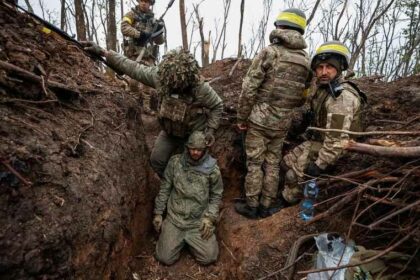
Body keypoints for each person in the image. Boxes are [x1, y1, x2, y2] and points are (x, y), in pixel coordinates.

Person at [81, 43, 223, 178]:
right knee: (156, 161)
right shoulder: (161, 77)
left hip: (193, 132)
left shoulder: (200, 88)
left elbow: (217, 105)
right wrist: (104, 53)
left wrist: (210, 130)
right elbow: (133, 68)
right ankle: (169, 184)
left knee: (191, 166)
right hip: (170, 132)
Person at [235, 8, 312, 219]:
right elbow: (303, 96)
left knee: (255, 163)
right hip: (282, 123)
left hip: (259, 120)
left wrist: (242, 118)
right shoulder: (306, 61)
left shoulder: (270, 52)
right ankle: (267, 205)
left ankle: (252, 205)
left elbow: (249, 88)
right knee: (272, 163)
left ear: (281, 27)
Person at [281, 41, 367, 204]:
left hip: (338, 147)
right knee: (285, 163)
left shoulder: (341, 97)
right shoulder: (324, 89)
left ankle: (288, 203)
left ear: (340, 67)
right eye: (320, 68)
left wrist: (319, 165)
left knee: (294, 175)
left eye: (329, 67)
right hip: (319, 140)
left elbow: (336, 141)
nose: (324, 72)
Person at [152, 131, 223, 265]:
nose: (195, 152)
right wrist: (158, 213)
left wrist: (209, 218)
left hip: (197, 221)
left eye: (199, 150)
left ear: (205, 150)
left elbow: (216, 195)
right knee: (165, 258)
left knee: (209, 257)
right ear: (187, 147)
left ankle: (189, 241)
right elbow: (165, 189)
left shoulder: (212, 169)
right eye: (193, 149)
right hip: (175, 219)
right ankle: (175, 239)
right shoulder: (175, 163)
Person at [121, 0, 165, 115]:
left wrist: (159, 30)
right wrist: (139, 34)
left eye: (147, 1)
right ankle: (132, 106)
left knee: (147, 84)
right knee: (133, 82)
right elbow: (124, 28)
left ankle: (146, 107)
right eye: (142, 1)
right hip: (134, 54)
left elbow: (159, 41)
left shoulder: (153, 20)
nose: (144, 3)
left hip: (148, 55)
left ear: (150, 4)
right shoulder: (131, 14)